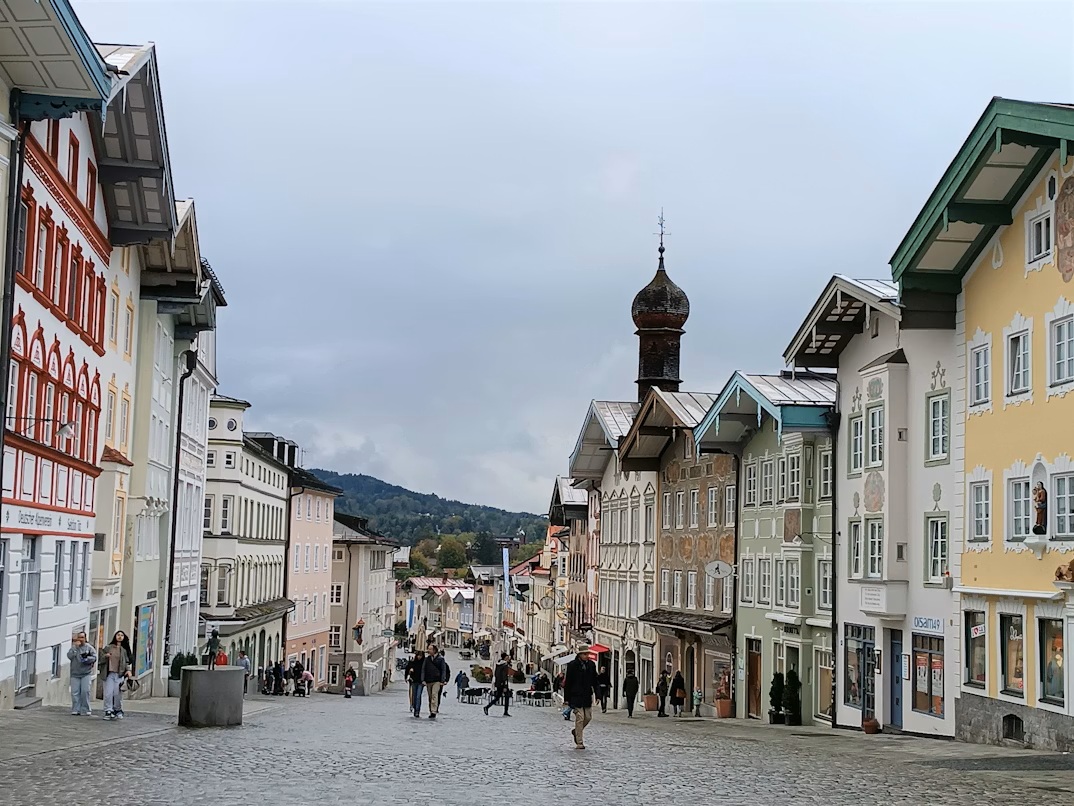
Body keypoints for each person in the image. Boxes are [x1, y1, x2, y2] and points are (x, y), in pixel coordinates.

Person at [562, 644, 599, 749]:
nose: (587, 656)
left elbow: (595, 681)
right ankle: (579, 742)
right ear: (580, 655)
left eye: (588, 654)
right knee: (580, 718)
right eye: (585, 654)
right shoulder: (573, 665)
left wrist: (598, 695)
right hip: (576, 696)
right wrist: (567, 699)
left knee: (588, 717)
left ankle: (576, 731)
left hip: (587, 695)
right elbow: (568, 683)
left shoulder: (591, 665)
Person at [98, 630, 133, 720]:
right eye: (118, 635)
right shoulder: (108, 647)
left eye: (122, 635)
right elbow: (100, 659)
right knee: (108, 693)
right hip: (109, 673)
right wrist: (106, 656)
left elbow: (126, 662)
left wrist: (128, 671)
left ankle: (118, 709)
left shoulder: (124, 650)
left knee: (117, 694)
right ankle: (108, 710)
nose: (120, 637)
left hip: (119, 674)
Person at [67, 631, 96, 716]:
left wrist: (87, 659)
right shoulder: (73, 648)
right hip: (75, 673)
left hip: (86, 673)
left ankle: (86, 709)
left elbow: (94, 657)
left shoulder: (89, 648)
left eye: (82, 637)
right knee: (75, 692)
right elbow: (69, 656)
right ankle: (76, 709)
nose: (81, 639)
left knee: (85, 691)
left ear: (85, 638)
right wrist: (75, 649)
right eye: (79, 637)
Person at [422, 644, 448, 719]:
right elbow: (423, 669)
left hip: (437, 680)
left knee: (434, 695)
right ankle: (431, 710)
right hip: (428, 680)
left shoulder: (440, 659)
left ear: (434, 650)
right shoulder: (427, 659)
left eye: (430, 649)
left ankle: (434, 711)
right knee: (430, 696)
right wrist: (423, 679)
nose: (428, 651)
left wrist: (442, 680)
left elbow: (443, 670)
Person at [484, 652, 512, 717]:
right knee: (506, 696)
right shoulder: (504, 665)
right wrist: (505, 685)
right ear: (505, 658)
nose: (508, 659)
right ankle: (505, 711)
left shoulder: (498, 664)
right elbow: (504, 676)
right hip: (503, 684)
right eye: (507, 657)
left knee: (498, 697)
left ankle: (487, 707)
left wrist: (497, 683)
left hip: (498, 683)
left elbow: (496, 674)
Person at [405, 649, 425, 717]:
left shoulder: (424, 663)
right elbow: (407, 669)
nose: (419, 657)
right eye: (418, 655)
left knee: (418, 696)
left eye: (421, 656)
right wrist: (406, 676)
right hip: (413, 681)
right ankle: (414, 706)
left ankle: (417, 711)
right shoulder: (413, 662)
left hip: (421, 681)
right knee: (414, 695)